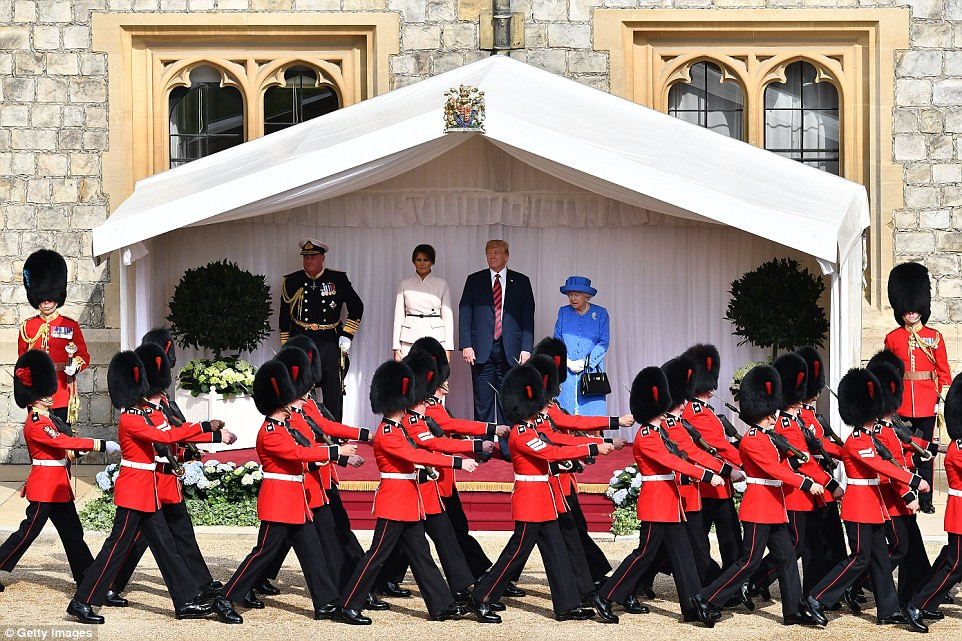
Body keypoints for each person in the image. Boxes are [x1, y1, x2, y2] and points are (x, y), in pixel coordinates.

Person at [68, 351, 220, 624]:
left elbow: (168, 437)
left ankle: (185, 600)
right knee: (114, 549)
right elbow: (166, 436)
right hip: (134, 492)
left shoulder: (144, 414)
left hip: (146, 491)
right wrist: (205, 426)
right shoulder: (131, 419)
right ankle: (82, 601)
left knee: (165, 547)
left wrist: (206, 436)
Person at [466, 364, 611, 624]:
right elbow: (552, 453)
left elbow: (554, 449)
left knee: (556, 551)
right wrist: (591, 447)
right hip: (531, 500)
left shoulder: (532, 429)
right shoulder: (521, 433)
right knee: (516, 553)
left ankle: (567, 605)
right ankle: (481, 598)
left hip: (545, 499)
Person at [337, 360, 479, 625]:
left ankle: (441, 605)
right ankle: (349, 605)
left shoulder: (400, 429)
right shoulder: (388, 432)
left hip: (408, 501)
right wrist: (457, 461)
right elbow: (412, 454)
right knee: (376, 556)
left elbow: (417, 456)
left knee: (421, 554)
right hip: (394, 501)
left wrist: (429, 469)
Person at [692, 365, 825, 627]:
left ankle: (792, 611)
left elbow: (783, 460)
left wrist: (803, 456)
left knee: (787, 557)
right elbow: (773, 469)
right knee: (749, 561)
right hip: (759, 507)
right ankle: (707, 599)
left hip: (774, 506)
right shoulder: (752, 439)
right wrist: (806, 483)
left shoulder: (769, 435)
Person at [592, 366, 722, 626]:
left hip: (670, 504)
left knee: (684, 556)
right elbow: (673, 462)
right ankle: (605, 596)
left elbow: (680, 456)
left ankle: (692, 605)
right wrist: (707, 475)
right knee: (643, 555)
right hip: (656, 504)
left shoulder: (660, 431)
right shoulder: (646, 436)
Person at [805, 368, 927, 629]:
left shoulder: (871, 438)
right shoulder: (858, 440)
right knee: (860, 557)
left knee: (881, 557)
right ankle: (817, 597)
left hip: (873, 506)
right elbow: (884, 468)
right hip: (859, 506)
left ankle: (888, 610)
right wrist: (913, 480)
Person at [0, 350, 118, 593]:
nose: (49, 396)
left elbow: (62, 450)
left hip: (59, 487)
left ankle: (86, 577)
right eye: (44, 393)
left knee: (73, 533)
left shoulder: (49, 418)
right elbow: (61, 443)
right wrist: (99, 444)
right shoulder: (37, 422)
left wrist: (77, 453)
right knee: (28, 533)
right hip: (45, 487)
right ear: (33, 397)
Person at [885, 262, 951, 513]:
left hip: (926, 402)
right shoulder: (893, 338)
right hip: (902, 403)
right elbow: (889, 373)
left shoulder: (934, 337)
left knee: (926, 450)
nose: (911, 313)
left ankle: (926, 499)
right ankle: (907, 490)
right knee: (901, 447)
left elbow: (944, 372)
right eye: (907, 310)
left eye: (915, 310)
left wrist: (941, 400)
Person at [458, 240, 535, 451]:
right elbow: (465, 312)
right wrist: (466, 344)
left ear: (507, 256)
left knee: (507, 402)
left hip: (511, 350)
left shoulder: (521, 281)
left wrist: (526, 348)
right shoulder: (474, 280)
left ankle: (508, 448)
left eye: (497, 253)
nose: (492, 256)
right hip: (481, 350)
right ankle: (481, 448)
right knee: (482, 403)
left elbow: (528, 317)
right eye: (488, 253)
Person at [279, 239, 364, 422]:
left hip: (329, 340)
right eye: (306, 257)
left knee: (333, 389)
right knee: (298, 387)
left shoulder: (337, 279)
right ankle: (299, 430)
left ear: (322, 258)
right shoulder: (292, 281)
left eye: (313, 257)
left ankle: (334, 436)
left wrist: (347, 334)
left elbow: (357, 307)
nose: (308, 261)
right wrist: (287, 347)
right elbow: (284, 317)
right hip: (301, 340)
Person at [904, 371, 962, 633]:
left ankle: (924, 599)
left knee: (950, 558)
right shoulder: (958, 448)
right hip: (960, 514)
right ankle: (917, 603)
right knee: (956, 563)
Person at [19, 249, 89, 426]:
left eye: (50, 297)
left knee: (63, 441)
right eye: (42, 298)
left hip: (62, 393)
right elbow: (22, 362)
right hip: (36, 396)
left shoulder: (70, 326)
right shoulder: (28, 327)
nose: (46, 302)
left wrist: (75, 366)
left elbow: (83, 355)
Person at [553, 276, 610, 415]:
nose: (572, 298)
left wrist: (586, 362)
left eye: (576, 295)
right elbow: (557, 340)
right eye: (570, 295)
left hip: (591, 371)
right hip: (567, 370)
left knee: (591, 415)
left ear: (586, 296)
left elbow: (604, 342)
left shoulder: (601, 314)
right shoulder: (563, 312)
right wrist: (567, 362)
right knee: (565, 412)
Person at [392, 244, 454, 361]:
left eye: (426, 260)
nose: (422, 263)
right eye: (418, 260)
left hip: (435, 336)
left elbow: (448, 318)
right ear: (413, 262)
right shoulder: (405, 284)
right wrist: (396, 347)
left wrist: (448, 348)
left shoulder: (442, 284)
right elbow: (398, 316)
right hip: (409, 337)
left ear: (432, 262)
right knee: (409, 374)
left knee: (433, 375)